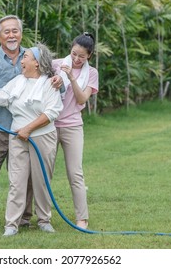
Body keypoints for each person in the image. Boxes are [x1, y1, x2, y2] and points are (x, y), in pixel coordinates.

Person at [0, 15, 63, 230]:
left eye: (15, 30)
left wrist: (60, 81)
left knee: (32, 176)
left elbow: (54, 93)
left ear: (21, 33)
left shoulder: (34, 58)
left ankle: (27, 219)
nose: (11, 35)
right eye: (6, 31)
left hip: (32, 131)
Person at [52, 32, 99, 229]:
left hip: (72, 126)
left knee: (75, 173)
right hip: (49, 125)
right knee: (44, 172)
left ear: (89, 55)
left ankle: (82, 218)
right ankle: (42, 217)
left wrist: (71, 77)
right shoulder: (56, 64)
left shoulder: (92, 73)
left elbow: (81, 100)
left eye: (81, 56)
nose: (76, 59)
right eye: (73, 54)